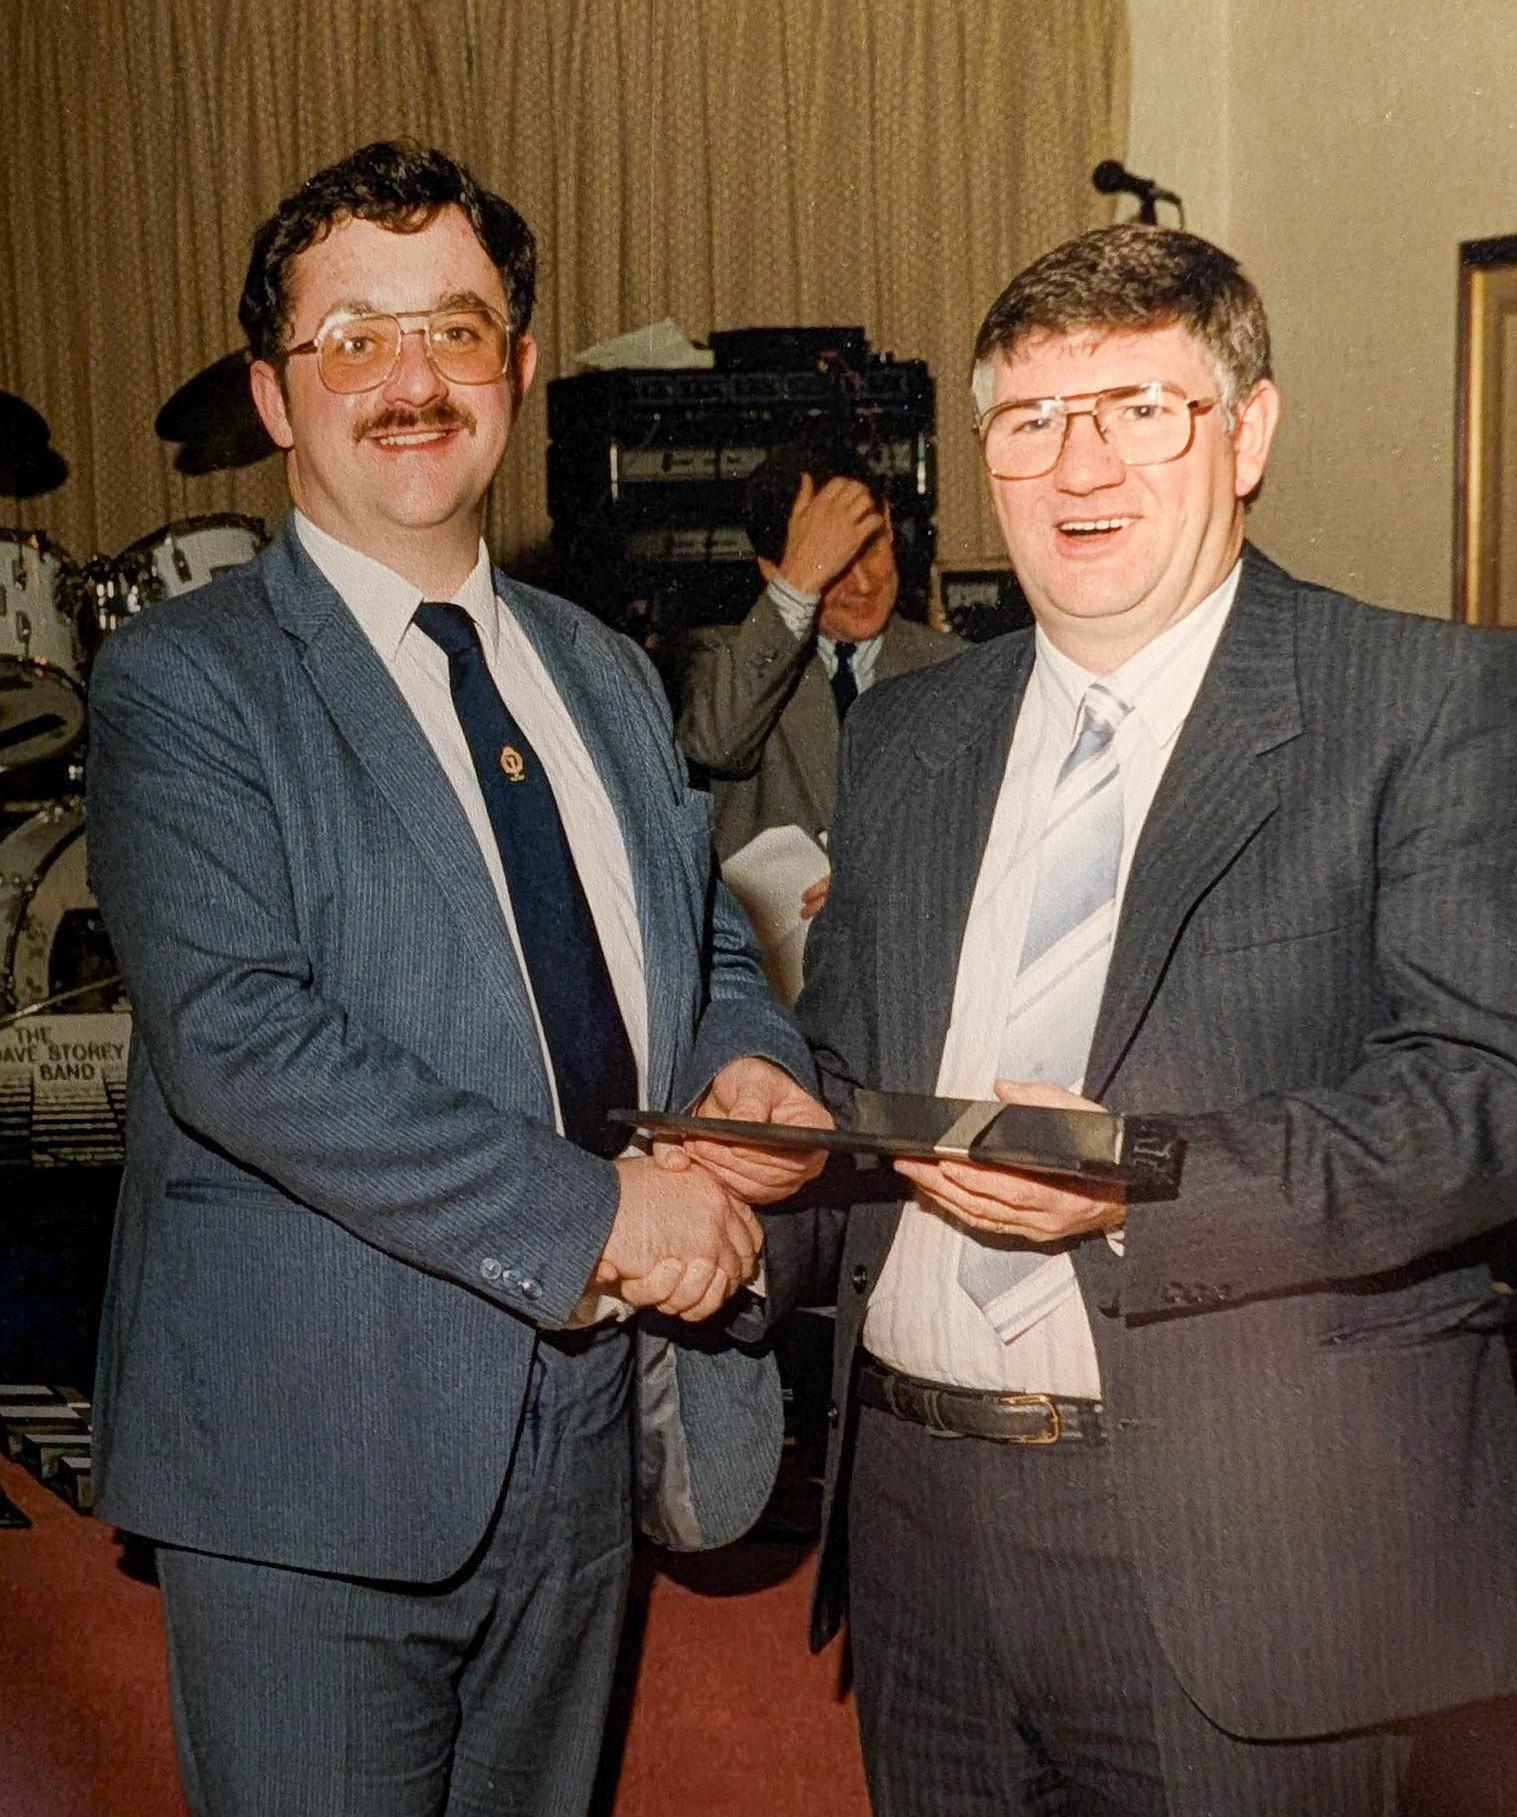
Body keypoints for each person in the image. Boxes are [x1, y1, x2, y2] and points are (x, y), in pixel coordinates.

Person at [85, 139, 827, 1817]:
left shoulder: (606, 670)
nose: (410, 381)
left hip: (585, 1435)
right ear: (274, 395)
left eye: (455, 330)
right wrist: (602, 1214)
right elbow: (241, 1040)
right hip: (311, 1464)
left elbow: (701, 935)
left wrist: (748, 1064)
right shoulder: (187, 685)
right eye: (353, 339)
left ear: (520, 366)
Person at [774, 224, 1517, 1813]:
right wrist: (744, 1162)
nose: (1078, 465)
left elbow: (1479, 1098)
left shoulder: (1426, 702)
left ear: (1245, 434)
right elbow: (846, 1089)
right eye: (1032, 420)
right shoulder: (906, 734)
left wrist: (1136, 1183)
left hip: (1255, 1550)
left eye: (1138, 409)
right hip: (916, 1539)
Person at [676, 436, 962, 915]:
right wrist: (800, 581)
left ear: (889, 522)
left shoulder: (959, 668)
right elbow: (717, 744)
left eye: (870, 548)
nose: (864, 584)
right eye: (832, 566)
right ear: (774, 571)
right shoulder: (721, 661)